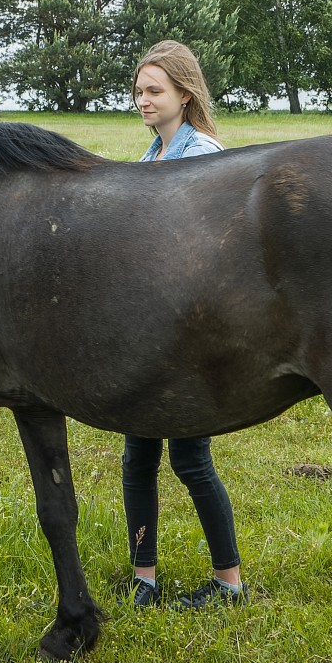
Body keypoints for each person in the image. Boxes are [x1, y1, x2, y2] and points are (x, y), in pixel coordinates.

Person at [117, 41, 246, 610]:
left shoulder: (204, 156)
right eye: (139, 91)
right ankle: (143, 578)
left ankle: (229, 583)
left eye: (155, 91)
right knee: (137, 459)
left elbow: (213, 253)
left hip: (188, 336)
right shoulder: (155, 152)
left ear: (185, 95)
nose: (143, 100)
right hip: (147, 331)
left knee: (191, 459)